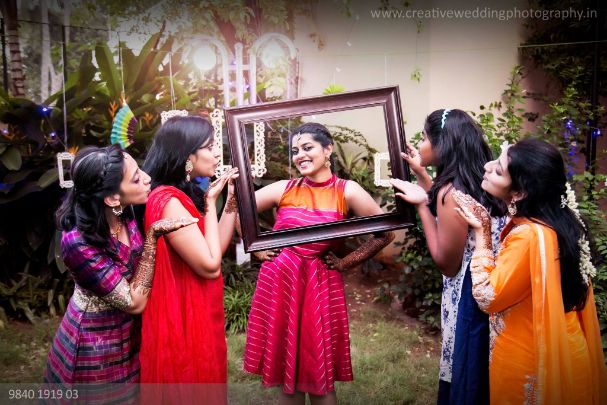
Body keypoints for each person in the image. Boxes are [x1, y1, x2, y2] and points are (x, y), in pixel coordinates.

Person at [242, 122, 394, 405]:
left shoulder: (347, 191)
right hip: (279, 285)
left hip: (318, 285)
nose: (299, 155)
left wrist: (347, 261)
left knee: (319, 376)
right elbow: (239, 210)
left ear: (328, 150)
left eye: (307, 147)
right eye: (295, 150)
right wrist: (257, 251)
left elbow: (385, 233)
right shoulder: (284, 188)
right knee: (288, 380)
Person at [452, 138, 607, 404]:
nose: (487, 166)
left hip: (534, 366)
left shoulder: (529, 236)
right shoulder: (560, 221)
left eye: (499, 170)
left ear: (520, 193)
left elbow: (488, 297)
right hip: (566, 353)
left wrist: (482, 234)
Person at [44, 145, 196, 396]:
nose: (147, 178)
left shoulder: (122, 212)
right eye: (136, 178)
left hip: (132, 333)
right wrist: (153, 237)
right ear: (112, 197)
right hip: (97, 344)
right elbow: (134, 302)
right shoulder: (77, 242)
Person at [390, 109, 506, 404]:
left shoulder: (450, 193)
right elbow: (453, 213)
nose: (421, 143)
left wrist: (420, 207)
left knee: (467, 374)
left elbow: (447, 262)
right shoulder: (481, 181)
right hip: (495, 284)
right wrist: (422, 175)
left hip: (469, 294)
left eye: (425, 137)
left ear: (444, 145)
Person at [139, 117, 238, 400]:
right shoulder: (167, 200)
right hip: (184, 313)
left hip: (197, 306)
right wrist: (209, 204)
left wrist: (230, 200)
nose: (216, 153)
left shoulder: (181, 193)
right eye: (208, 147)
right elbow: (209, 266)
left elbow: (214, 246)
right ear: (186, 156)